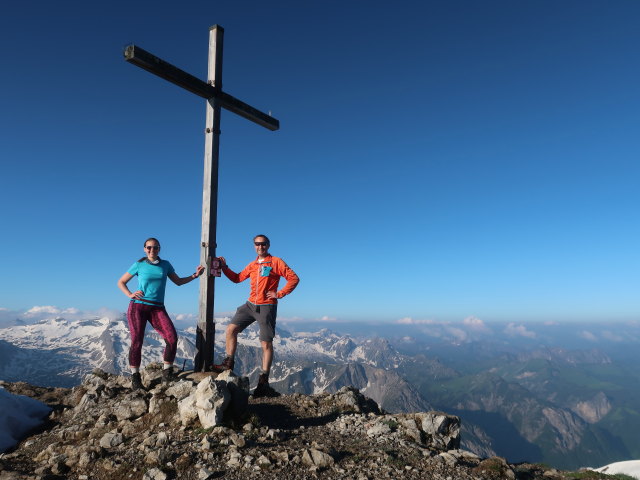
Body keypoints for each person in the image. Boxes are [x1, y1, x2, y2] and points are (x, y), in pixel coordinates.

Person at [215, 234, 299, 397]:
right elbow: (237, 278)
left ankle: (263, 382)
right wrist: (225, 267)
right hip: (250, 305)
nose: (260, 247)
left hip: (267, 306)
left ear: (268, 245)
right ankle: (228, 363)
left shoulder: (276, 262)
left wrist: (280, 293)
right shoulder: (253, 264)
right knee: (231, 329)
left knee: (266, 344)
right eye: (257, 244)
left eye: (263, 244)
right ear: (254, 246)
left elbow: (293, 279)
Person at [117, 237, 204, 389]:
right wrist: (130, 294)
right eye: (149, 247)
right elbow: (121, 282)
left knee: (172, 338)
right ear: (144, 249)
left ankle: (167, 374)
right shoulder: (139, 265)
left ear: (159, 249)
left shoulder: (165, 265)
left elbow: (178, 281)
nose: (152, 250)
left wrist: (194, 275)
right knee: (137, 341)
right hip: (138, 306)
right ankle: (135, 378)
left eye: (155, 247)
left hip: (157, 308)